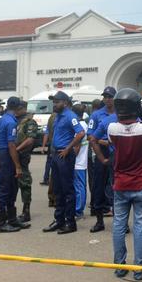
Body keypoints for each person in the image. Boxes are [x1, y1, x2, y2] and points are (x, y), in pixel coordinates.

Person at [107, 88, 142, 281]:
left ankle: (120, 267)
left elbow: (114, 142)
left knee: (119, 225)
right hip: (141, 184)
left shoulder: (112, 128)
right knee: (140, 226)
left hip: (121, 185)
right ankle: (139, 268)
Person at [42, 91, 83, 235]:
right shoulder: (57, 116)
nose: (54, 104)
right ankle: (59, 220)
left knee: (67, 190)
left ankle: (70, 222)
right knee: (57, 189)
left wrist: (68, 149)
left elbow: (81, 133)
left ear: (65, 103)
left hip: (64, 156)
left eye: (57, 102)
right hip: (55, 155)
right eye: (54, 102)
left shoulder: (70, 116)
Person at [0, 96, 28, 233]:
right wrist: (18, 166)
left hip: (2, 154)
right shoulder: (11, 122)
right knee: (5, 189)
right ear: (18, 108)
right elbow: (11, 145)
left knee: (11, 187)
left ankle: (12, 219)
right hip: (7, 156)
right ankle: (1, 222)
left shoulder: (2, 119)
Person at [87, 87, 117, 233]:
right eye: (105, 97)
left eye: (110, 96)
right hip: (100, 151)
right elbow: (90, 136)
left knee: (116, 186)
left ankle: (119, 219)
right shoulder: (96, 115)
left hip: (116, 152)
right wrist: (105, 143)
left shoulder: (120, 114)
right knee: (98, 185)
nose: (107, 99)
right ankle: (99, 220)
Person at [10, 100, 40, 224]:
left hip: (22, 156)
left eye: (16, 108)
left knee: (24, 183)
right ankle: (10, 211)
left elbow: (30, 139)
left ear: (22, 108)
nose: (14, 111)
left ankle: (25, 211)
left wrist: (16, 150)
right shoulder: (12, 120)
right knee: (11, 183)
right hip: (11, 156)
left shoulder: (30, 121)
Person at [72, 103, 89, 218]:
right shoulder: (85, 124)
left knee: (78, 187)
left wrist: (71, 159)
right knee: (81, 186)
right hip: (82, 161)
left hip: (77, 162)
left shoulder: (78, 126)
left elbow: (76, 146)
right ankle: (79, 209)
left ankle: (78, 211)